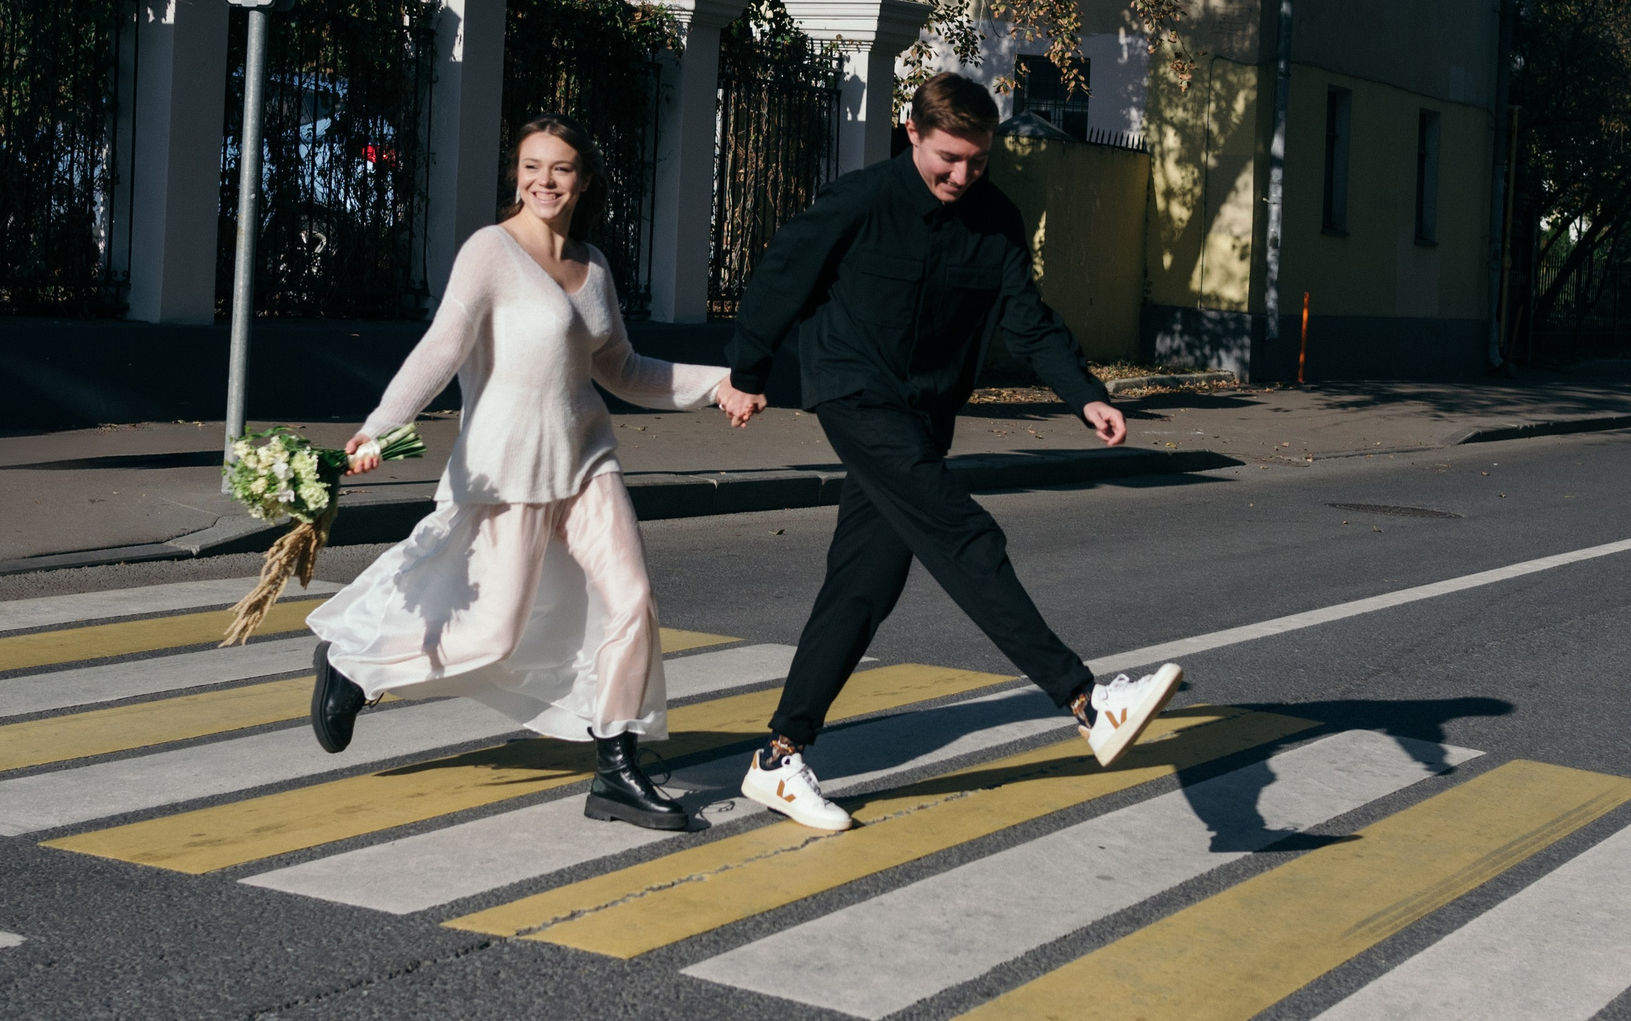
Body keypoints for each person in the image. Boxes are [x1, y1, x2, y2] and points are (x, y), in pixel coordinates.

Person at [718, 73, 1182, 832]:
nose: (961, 175)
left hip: (925, 412)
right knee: (965, 535)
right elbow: (782, 272)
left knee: (864, 584)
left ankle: (778, 755)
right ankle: (1086, 701)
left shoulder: (996, 219)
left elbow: (1026, 320)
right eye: (947, 158)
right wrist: (746, 371)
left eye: (976, 160)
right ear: (912, 133)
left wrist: (1084, 393)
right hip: (855, 391)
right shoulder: (861, 200)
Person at [305, 116, 735, 832]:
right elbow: (442, 346)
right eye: (532, 165)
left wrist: (715, 385)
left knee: (632, 600)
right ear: (517, 174)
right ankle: (354, 662)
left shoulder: (594, 265)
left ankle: (618, 768)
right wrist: (379, 427)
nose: (544, 179)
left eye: (561, 167)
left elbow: (622, 369)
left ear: (583, 180)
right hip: (510, 467)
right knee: (491, 632)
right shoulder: (490, 251)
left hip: (586, 461)